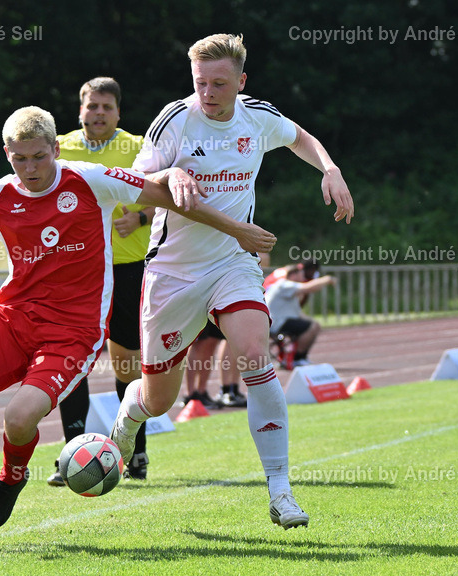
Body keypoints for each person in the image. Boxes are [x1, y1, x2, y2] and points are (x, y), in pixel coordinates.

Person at [0, 106, 273, 552]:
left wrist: (236, 229)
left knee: (18, 419)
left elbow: (163, 196)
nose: (31, 168)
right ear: (6, 154)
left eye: (39, 156)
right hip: (10, 321)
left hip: (72, 333)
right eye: (20, 159)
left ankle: (11, 478)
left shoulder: (89, 179)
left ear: (56, 148)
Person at [110, 33, 354, 530]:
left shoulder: (257, 115)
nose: (208, 93)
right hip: (173, 273)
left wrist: (330, 168)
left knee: (253, 357)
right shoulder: (174, 120)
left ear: (241, 82)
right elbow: (131, 189)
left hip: (233, 264)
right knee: (159, 399)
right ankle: (129, 419)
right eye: (200, 82)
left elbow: (299, 137)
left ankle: (281, 492)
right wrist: (172, 174)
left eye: (219, 83)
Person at [47, 77, 153, 485]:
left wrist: (140, 217)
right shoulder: (59, 147)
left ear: (118, 113)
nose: (99, 114)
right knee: (72, 361)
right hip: (78, 271)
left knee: (127, 363)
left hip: (129, 269)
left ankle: (134, 453)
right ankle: (71, 455)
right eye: (92, 107)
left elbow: (168, 192)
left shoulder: (138, 146)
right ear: (80, 110)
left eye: (107, 107)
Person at [264, 263, 336, 366]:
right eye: (301, 275)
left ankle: (296, 357)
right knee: (312, 326)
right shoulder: (284, 284)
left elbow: (298, 313)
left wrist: (312, 322)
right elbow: (308, 287)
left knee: (313, 325)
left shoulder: (289, 290)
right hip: (276, 324)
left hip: (277, 322)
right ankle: (298, 358)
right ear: (293, 275)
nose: (303, 278)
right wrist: (327, 279)